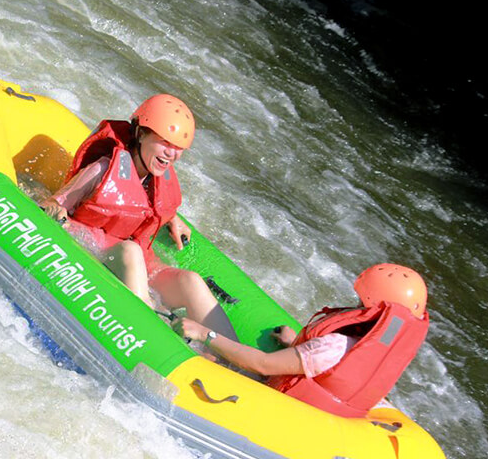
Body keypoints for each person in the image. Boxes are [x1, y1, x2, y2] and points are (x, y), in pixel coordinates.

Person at [40, 94, 237, 341]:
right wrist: (55, 209)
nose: (172, 154)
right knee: (132, 251)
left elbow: (148, 208)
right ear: (141, 134)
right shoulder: (102, 169)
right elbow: (53, 203)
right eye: (165, 142)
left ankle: (235, 359)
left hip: (138, 262)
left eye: (178, 149)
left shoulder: (156, 179)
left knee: (191, 281)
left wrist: (173, 218)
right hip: (99, 252)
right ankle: (153, 334)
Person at [172, 263, 430, 417]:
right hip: (297, 415)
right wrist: (297, 344)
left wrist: (204, 333)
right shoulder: (379, 361)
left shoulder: (333, 346)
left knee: (190, 284)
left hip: (258, 404)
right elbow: (331, 372)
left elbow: (261, 364)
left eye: (361, 304)